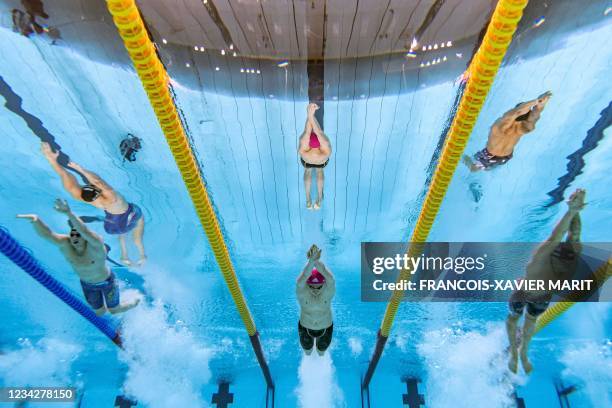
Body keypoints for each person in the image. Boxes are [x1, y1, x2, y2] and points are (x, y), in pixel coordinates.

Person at [506, 188, 586, 374]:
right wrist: (572, 211)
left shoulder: (565, 258)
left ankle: (521, 353)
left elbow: (567, 236)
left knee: (525, 325)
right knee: (515, 320)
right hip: (529, 292)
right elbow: (556, 237)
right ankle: (515, 354)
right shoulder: (539, 263)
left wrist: (575, 209)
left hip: (541, 296)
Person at [17, 199, 140, 315]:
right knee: (100, 312)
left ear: (85, 237)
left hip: (107, 282)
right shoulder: (66, 243)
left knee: (114, 310)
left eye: (78, 235)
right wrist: (36, 220)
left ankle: (134, 301)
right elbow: (48, 235)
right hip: (88, 285)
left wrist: (68, 213)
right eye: (72, 234)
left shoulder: (95, 245)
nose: (74, 237)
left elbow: (85, 231)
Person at [40, 142, 146, 266]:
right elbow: (98, 181)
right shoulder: (111, 197)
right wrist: (80, 169)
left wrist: (51, 160)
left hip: (113, 220)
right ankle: (142, 255)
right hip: (132, 213)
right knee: (136, 235)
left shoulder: (79, 196)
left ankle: (125, 255)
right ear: (96, 191)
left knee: (121, 232)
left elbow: (64, 174)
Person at [463, 91, 552, 171]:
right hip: (505, 158)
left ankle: (462, 158)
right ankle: (488, 168)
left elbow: (517, 112)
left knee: (472, 168)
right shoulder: (525, 128)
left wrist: (536, 101)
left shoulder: (502, 125)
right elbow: (535, 114)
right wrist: (541, 103)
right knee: (489, 167)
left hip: (489, 155)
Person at [296, 244, 336, 356]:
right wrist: (311, 262)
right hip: (305, 327)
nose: (315, 290)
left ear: (323, 284)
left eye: (318, 287)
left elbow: (331, 279)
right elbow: (303, 278)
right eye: (311, 286)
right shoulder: (302, 292)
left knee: (321, 353)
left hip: (325, 328)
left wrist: (316, 262)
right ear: (307, 285)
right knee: (307, 353)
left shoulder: (328, 292)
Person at [298, 103, 332, 210]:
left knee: (307, 171)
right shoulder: (325, 146)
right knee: (319, 171)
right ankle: (319, 198)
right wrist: (311, 116)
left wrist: (309, 114)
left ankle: (308, 199)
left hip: (307, 159)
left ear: (309, 143)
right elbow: (318, 132)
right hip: (321, 160)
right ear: (320, 143)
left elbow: (307, 132)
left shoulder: (304, 145)